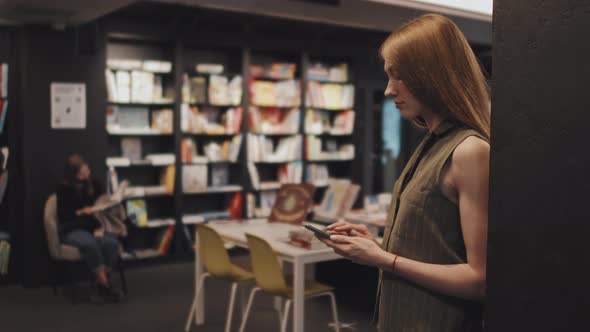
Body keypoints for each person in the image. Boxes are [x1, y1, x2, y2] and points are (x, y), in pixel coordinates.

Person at [318, 14, 490, 332]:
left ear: (430, 74)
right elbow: (436, 247)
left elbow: (479, 281)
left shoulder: (469, 151)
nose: (388, 91)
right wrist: (379, 246)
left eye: (398, 77)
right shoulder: (431, 144)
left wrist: (384, 260)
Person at [56, 154, 124, 303]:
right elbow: (64, 214)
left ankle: (100, 284)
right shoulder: (64, 188)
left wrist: (108, 206)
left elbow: (101, 205)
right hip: (72, 228)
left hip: (93, 226)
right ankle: (106, 285)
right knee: (89, 244)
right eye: (82, 172)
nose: (86, 174)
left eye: (87, 170)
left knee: (111, 243)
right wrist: (81, 212)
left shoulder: (95, 184)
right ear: (74, 173)